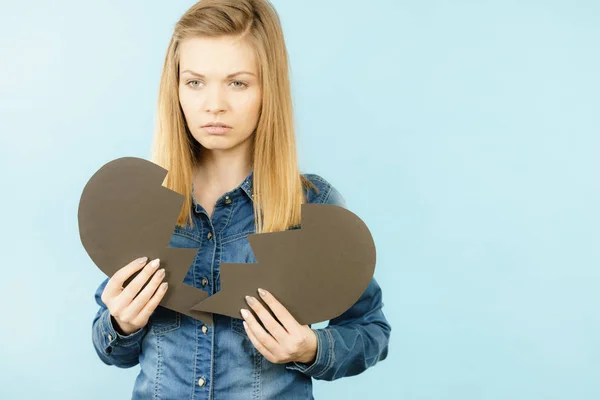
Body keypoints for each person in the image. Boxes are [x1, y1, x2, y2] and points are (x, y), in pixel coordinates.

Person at [91, 0, 391, 398]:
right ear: (175, 88)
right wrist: (119, 324)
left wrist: (311, 348)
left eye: (238, 82)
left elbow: (371, 331)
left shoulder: (312, 206)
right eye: (195, 82)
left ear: (269, 87)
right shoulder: (145, 203)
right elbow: (112, 349)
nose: (214, 104)